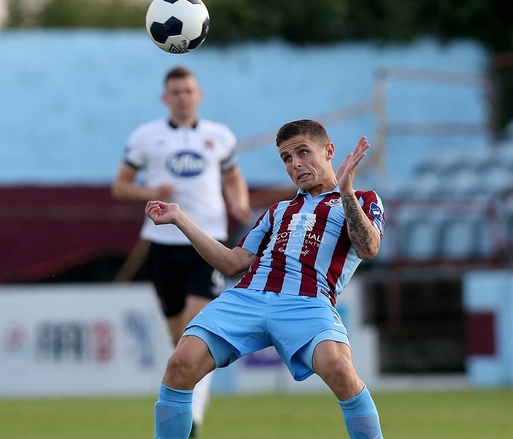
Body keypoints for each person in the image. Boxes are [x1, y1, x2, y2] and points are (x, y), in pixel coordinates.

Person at [146, 119, 385, 439]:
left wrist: (346, 191)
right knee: (180, 365)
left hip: (307, 302)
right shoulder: (277, 211)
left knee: (342, 372)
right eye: (287, 158)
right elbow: (232, 264)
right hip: (248, 297)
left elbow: (369, 248)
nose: (296, 163)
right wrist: (179, 218)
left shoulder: (361, 199)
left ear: (329, 151)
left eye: (303, 152)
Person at [111, 66, 252, 436]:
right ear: (165, 98)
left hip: (208, 244)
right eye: (175, 92)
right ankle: (187, 405)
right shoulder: (146, 137)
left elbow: (233, 177)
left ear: (199, 95)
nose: (183, 97)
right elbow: (121, 187)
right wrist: (150, 190)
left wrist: (239, 202)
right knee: (180, 343)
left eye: (188, 90)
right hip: (161, 246)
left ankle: (194, 420)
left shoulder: (219, 136)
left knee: (197, 331)